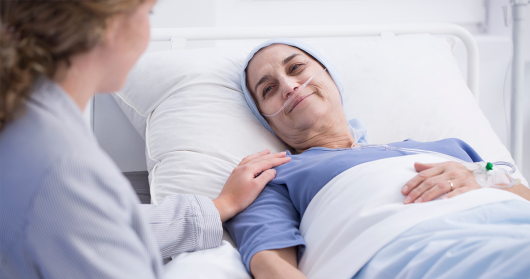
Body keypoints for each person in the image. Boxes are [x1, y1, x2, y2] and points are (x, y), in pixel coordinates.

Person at [0, 1, 290, 278]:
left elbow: (98, 225)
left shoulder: (29, 128)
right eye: (148, 14)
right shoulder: (64, 171)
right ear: (110, 26)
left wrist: (218, 206)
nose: (292, 88)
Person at [225, 38, 530, 279]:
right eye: (269, 89)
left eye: (296, 69)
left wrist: (484, 177)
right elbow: (269, 262)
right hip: (424, 250)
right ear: (267, 120)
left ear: (330, 75)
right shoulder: (273, 176)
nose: (289, 86)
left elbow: (521, 192)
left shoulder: (449, 146)